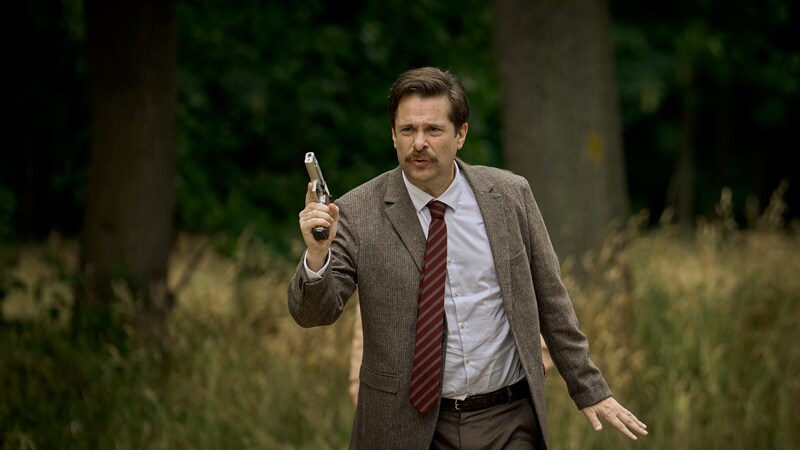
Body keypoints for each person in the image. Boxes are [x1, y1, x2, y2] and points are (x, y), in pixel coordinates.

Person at [288, 66, 647, 449]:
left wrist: (589, 388)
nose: (419, 143)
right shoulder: (357, 212)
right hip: (407, 427)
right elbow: (313, 314)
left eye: (433, 130)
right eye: (407, 130)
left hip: (509, 418)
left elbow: (551, 300)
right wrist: (317, 254)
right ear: (393, 135)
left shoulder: (510, 195)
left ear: (460, 134)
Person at [348, 303, 555, 406]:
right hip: (418, 397)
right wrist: (358, 372)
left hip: (502, 400)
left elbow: (521, 270)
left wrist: (540, 347)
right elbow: (373, 297)